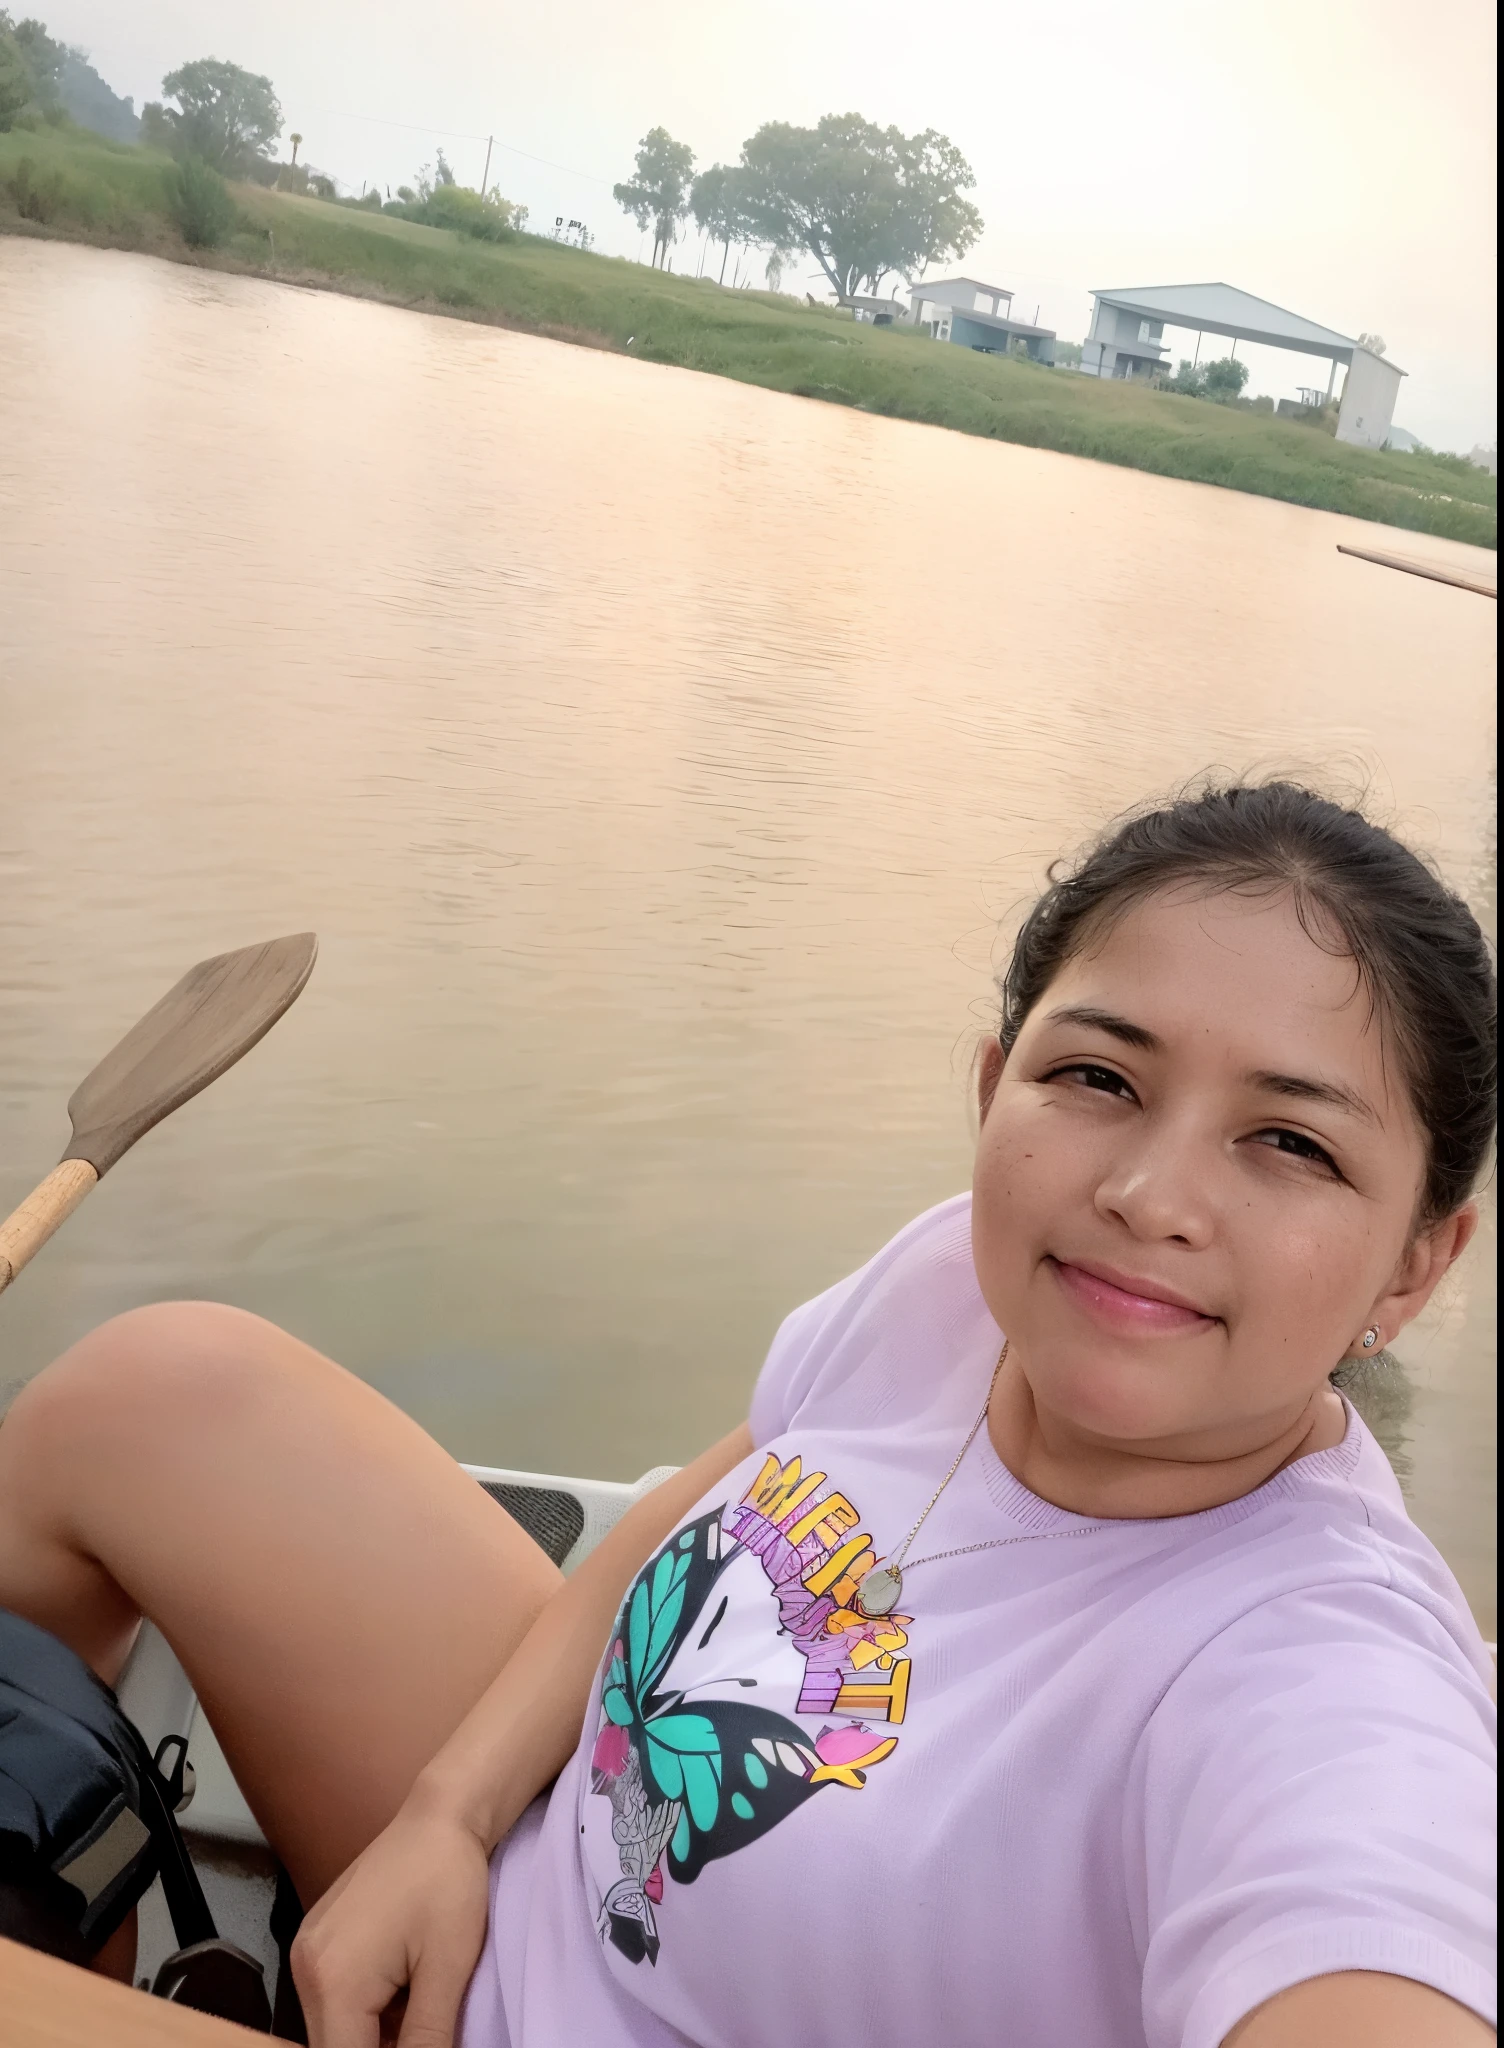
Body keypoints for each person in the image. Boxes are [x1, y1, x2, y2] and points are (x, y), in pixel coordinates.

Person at [0, 779, 1494, 2048]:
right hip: (534, 1877)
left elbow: (1367, 1932)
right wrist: (445, 1821)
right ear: (995, 1091)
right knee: (150, 1394)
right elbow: (691, 1508)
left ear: (1421, 1260)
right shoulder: (973, 1290)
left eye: (1289, 1141)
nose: (1145, 1196)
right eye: (1098, 1076)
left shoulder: (1320, 1682)